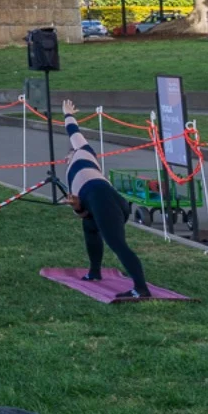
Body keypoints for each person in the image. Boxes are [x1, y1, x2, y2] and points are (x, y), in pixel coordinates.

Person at [62, 100, 152, 299]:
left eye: (68, 153)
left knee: (118, 244)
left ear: (70, 155)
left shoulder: (82, 151)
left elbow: (73, 131)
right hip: (108, 200)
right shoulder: (83, 156)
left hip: (104, 199)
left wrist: (67, 113)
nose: (67, 155)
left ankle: (141, 289)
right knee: (89, 226)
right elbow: (82, 211)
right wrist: (77, 208)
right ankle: (94, 272)